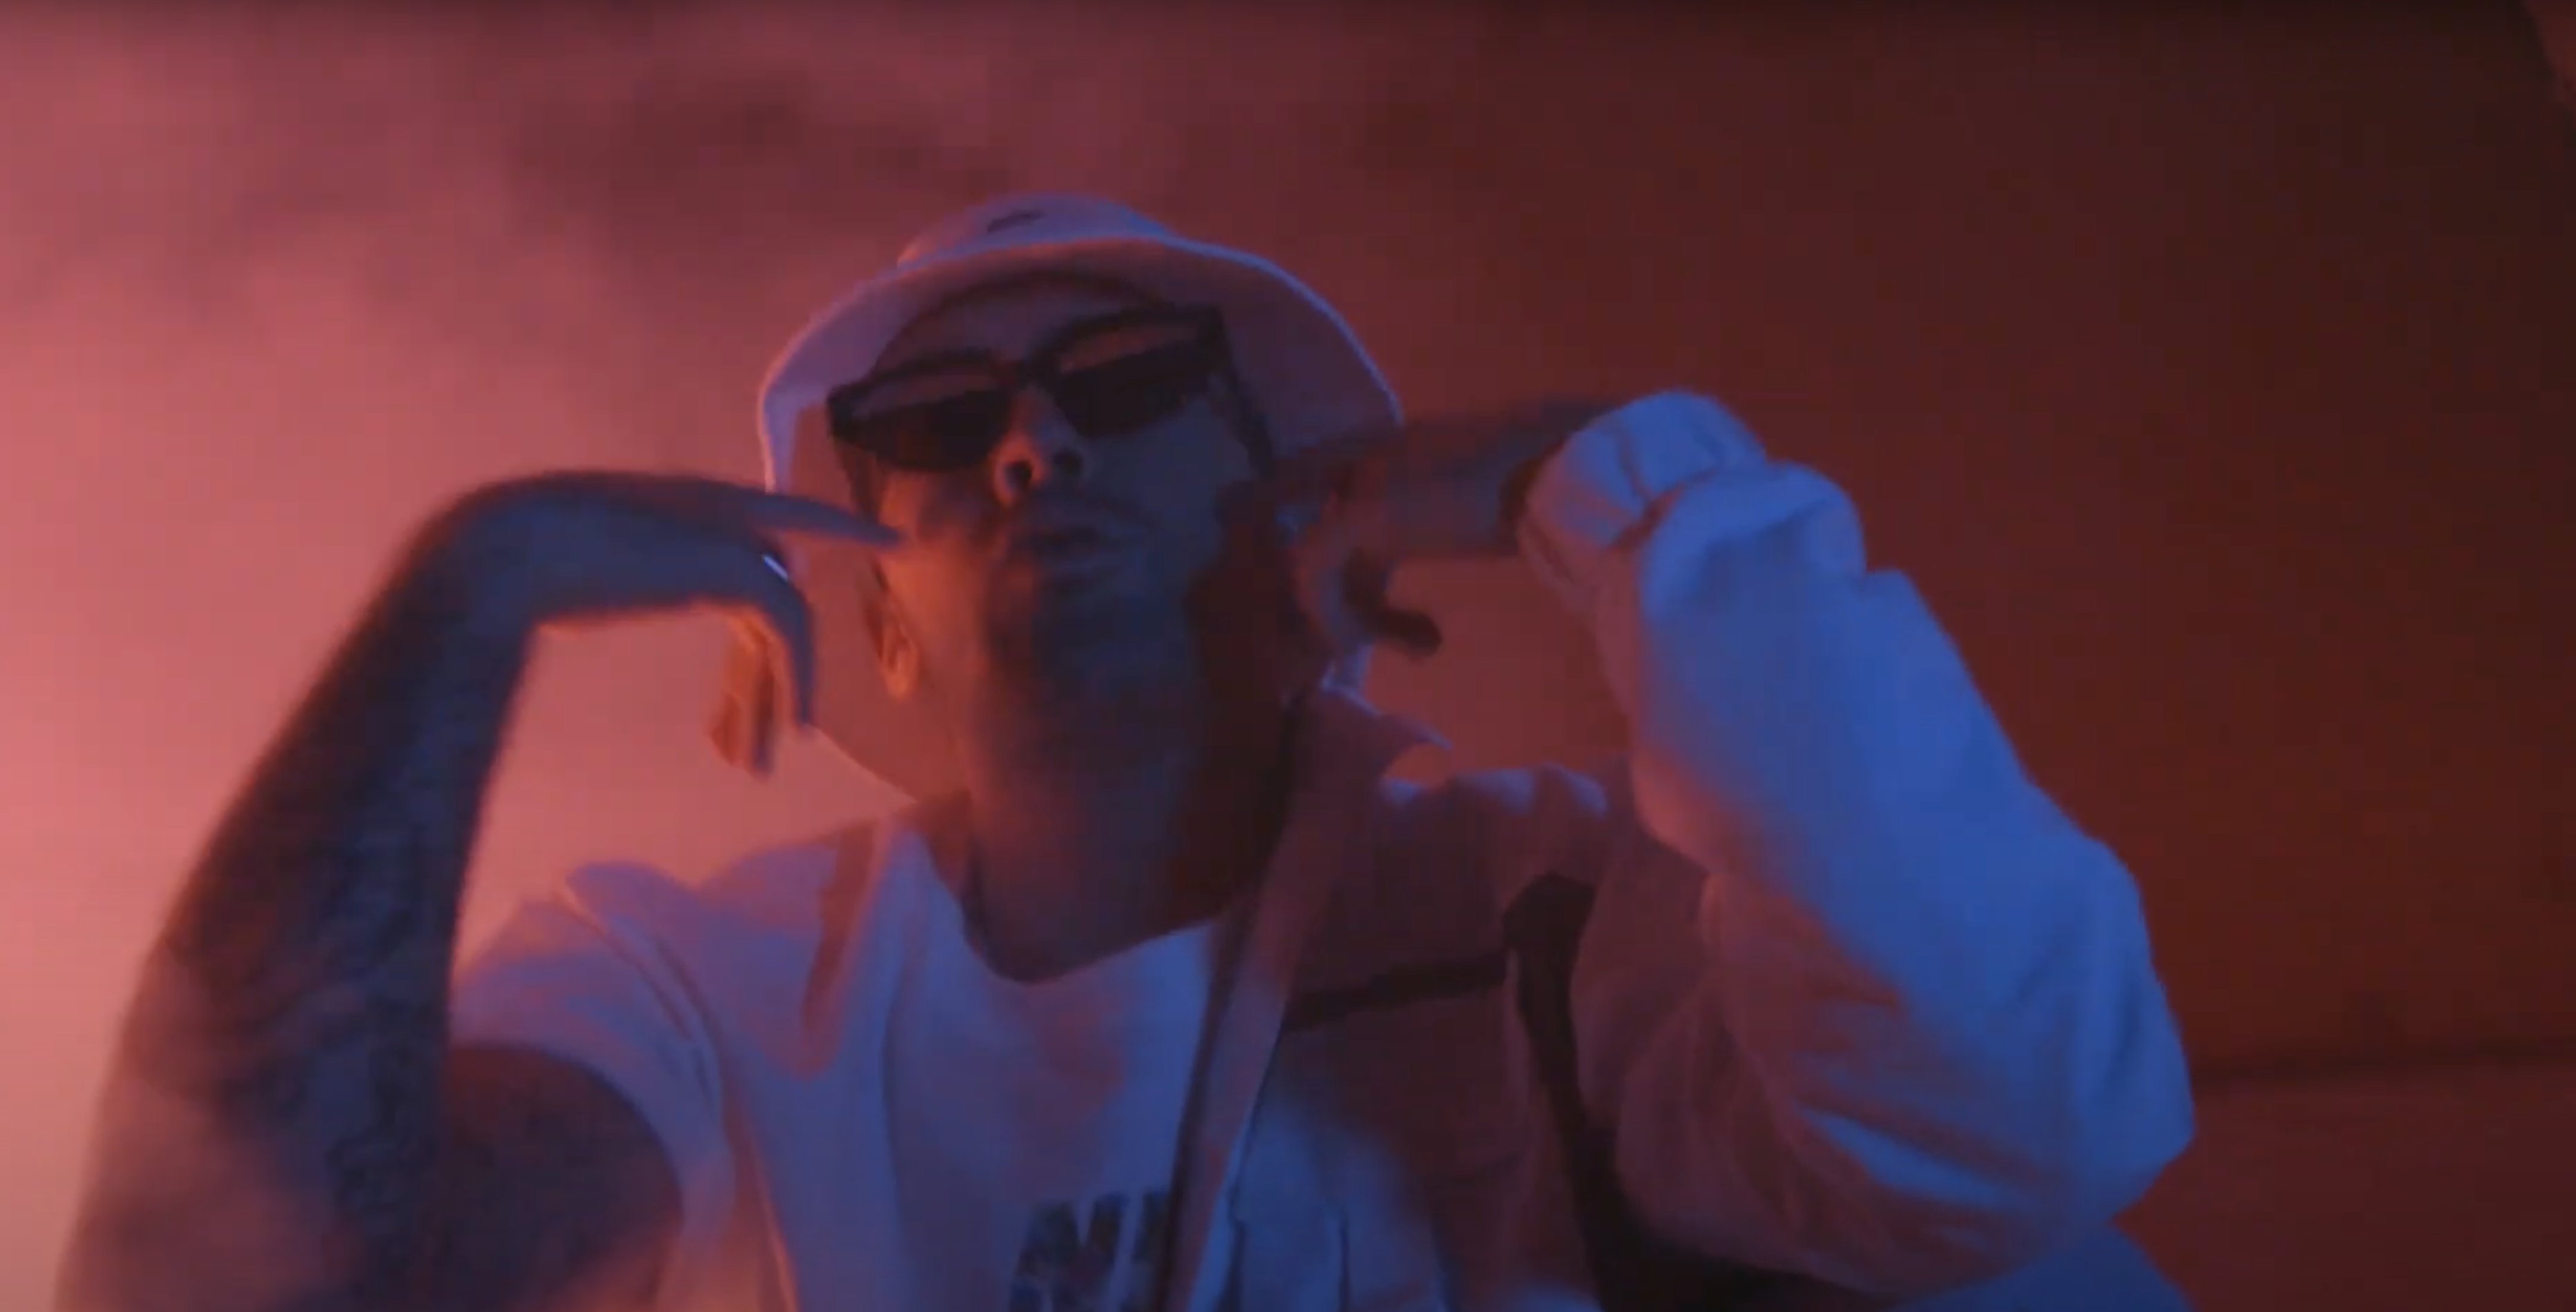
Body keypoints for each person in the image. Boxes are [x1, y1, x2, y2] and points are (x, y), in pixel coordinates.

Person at [57, 194, 2195, 1312]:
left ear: (1316, 517)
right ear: (878, 607)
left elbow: (2017, 1123)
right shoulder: (703, 989)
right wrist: (457, 605)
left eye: (1131, 377)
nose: (1026, 445)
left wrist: (1620, 495)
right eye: (932, 421)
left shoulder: (1543, 915)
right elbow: (220, 1291)